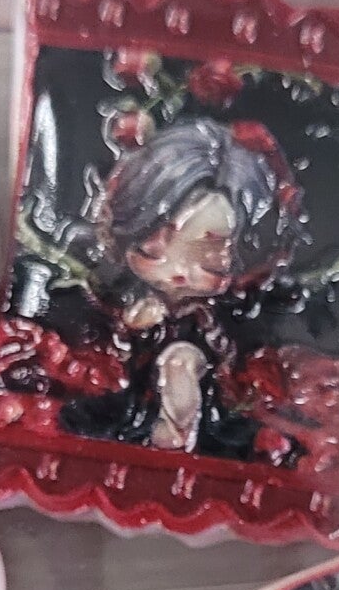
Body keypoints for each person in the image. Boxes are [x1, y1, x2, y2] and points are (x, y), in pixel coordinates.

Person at [56, 117, 307, 458]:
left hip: (204, 382)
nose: (179, 273)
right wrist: (132, 324)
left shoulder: (222, 314)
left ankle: (176, 432)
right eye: (155, 249)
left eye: (209, 260)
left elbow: (231, 351)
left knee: (181, 362)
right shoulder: (112, 292)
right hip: (124, 396)